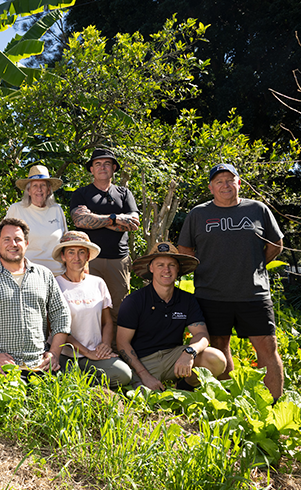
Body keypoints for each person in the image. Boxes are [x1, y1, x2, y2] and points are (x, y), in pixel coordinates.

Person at [178, 163, 285, 400]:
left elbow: (276, 244)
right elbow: (184, 250)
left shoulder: (258, 209)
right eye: (219, 181)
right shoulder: (198, 214)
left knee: (267, 350)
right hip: (211, 294)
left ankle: (274, 406)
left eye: (229, 180)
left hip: (253, 294)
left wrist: (252, 266)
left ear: (238, 182)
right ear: (211, 187)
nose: (225, 185)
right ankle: (229, 402)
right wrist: (209, 269)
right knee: (218, 348)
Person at [0, 218, 68, 371]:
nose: (13, 244)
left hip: (39, 368)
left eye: (18, 239)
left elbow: (62, 314)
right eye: (7, 239)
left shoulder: (44, 275)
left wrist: (55, 353)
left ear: (27, 243)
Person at [115, 242, 226, 391]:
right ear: (151, 268)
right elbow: (122, 343)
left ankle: (183, 389)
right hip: (142, 361)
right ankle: (142, 383)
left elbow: (202, 334)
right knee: (140, 396)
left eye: (171, 265)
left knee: (216, 359)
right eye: (160, 265)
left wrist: (190, 352)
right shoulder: (134, 301)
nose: (166, 270)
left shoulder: (187, 300)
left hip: (173, 357)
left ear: (178, 268)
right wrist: (144, 375)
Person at [52, 231, 132, 387]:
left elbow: (107, 322)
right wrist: (87, 352)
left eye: (82, 252)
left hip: (96, 353)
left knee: (123, 374)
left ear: (88, 256)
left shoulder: (98, 283)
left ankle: (86, 382)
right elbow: (55, 328)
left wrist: (105, 345)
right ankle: (81, 382)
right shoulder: (55, 285)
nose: (77, 257)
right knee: (60, 383)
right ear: (63, 256)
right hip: (66, 354)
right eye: (71, 252)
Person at [70, 148, 139, 321]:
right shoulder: (81, 193)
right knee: (88, 306)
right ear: (91, 169)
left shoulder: (124, 194)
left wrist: (94, 219)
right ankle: (91, 347)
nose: (102, 167)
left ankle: (115, 347)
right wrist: (115, 218)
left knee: (119, 308)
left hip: (118, 259)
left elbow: (133, 224)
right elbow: (80, 221)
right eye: (98, 164)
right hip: (89, 259)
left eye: (107, 164)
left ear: (114, 168)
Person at [5, 165, 69, 275]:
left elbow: (66, 242)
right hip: (27, 274)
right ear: (28, 190)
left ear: (49, 190)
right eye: (35, 185)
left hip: (57, 274)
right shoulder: (16, 209)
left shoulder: (57, 210)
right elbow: (5, 242)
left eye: (43, 185)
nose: (39, 189)